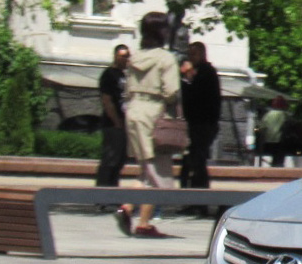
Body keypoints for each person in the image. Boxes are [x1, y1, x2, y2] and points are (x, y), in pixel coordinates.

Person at [120, 12, 180, 238]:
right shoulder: (166, 59)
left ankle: (127, 207)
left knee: (146, 169)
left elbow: (126, 89)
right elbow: (171, 91)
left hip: (134, 110)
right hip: (154, 113)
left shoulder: (134, 58)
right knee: (158, 172)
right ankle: (143, 223)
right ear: (161, 31)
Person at [179, 41, 222, 189]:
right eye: (189, 54)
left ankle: (199, 195)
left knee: (198, 160)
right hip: (194, 122)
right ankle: (189, 193)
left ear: (202, 54)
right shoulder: (198, 72)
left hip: (203, 123)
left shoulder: (206, 72)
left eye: (194, 54)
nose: (191, 58)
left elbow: (195, 95)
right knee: (191, 160)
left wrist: (188, 77)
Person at [95, 45, 130, 189]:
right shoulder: (109, 74)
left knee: (120, 160)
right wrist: (116, 121)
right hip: (112, 124)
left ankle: (113, 192)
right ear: (115, 56)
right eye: (122, 56)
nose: (125, 59)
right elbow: (106, 99)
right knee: (110, 159)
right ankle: (102, 194)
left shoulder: (125, 76)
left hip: (124, 123)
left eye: (127, 56)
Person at [257, 96, 289, 167]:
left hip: (268, 140)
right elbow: (287, 126)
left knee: (271, 160)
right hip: (280, 141)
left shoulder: (268, 115)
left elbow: (262, 127)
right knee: (279, 161)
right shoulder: (285, 115)